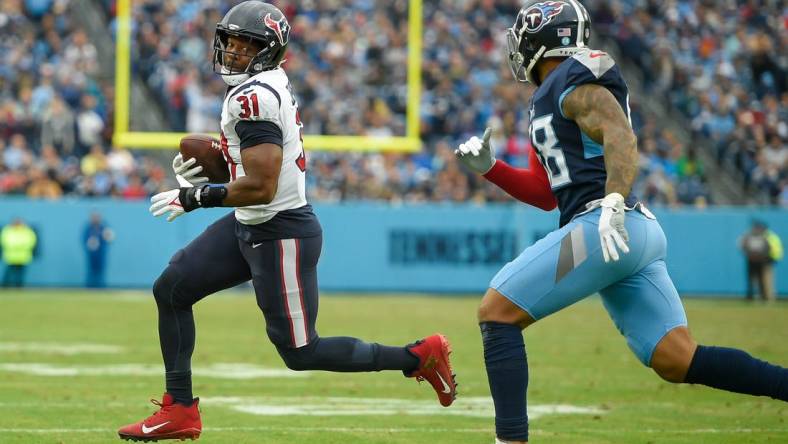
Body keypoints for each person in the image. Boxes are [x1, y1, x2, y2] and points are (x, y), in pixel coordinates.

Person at [117, 2, 456, 441]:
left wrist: (196, 195)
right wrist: (222, 162)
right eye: (231, 43)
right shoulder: (262, 85)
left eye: (247, 46)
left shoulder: (253, 97)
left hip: (280, 230)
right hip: (251, 223)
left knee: (300, 352)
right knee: (172, 288)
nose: (234, 53)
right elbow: (253, 168)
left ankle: (419, 356)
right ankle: (179, 410)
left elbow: (261, 184)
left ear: (269, 51)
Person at [454, 2, 788, 443]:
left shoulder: (574, 80)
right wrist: (491, 168)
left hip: (603, 226)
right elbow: (543, 193)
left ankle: (509, 440)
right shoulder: (547, 97)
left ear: (543, 39)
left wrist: (612, 197)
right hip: (630, 231)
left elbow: (619, 132)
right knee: (676, 357)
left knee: (497, 312)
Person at [739, 220, 783, 300]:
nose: (757, 229)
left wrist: (768, 257)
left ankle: (768, 297)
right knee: (755, 280)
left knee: (766, 280)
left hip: (766, 260)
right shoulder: (750, 236)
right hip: (754, 260)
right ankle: (756, 296)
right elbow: (743, 246)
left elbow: (770, 248)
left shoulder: (767, 236)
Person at [1, 218, 38, 288]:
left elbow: (31, 241)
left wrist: (18, 246)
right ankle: (5, 286)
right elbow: (5, 241)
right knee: (8, 273)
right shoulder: (7, 230)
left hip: (23, 257)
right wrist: (18, 245)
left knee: (20, 274)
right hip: (10, 257)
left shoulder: (27, 231)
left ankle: (19, 287)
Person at [83, 212, 114, 288]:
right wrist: (89, 244)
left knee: (101, 271)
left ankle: (101, 287)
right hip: (91, 254)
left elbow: (109, 238)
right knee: (91, 271)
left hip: (101, 253)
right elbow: (84, 239)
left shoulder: (103, 228)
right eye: (94, 217)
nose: (95, 219)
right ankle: (89, 286)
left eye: (97, 217)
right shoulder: (88, 228)